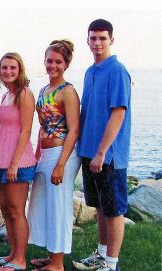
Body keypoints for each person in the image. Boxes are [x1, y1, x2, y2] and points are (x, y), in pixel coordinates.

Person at [72, 19, 131, 271]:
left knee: (114, 211)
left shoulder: (117, 70)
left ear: (111, 40)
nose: (97, 43)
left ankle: (112, 264)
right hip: (88, 152)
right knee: (99, 208)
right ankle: (101, 255)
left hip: (108, 156)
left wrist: (101, 152)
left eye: (102, 38)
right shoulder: (90, 71)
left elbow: (118, 114)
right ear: (87, 40)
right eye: (93, 38)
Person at [28, 40, 81, 271]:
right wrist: (38, 155)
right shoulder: (44, 90)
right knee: (42, 205)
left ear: (66, 64)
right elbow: (42, 125)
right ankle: (51, 255)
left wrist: (60, 164)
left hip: (63, 155)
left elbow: (74, 130)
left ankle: (58, 263)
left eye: (58, 61)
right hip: (45, 155)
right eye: (50, 60)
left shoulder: (68, 91)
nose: (53, 65)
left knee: (59, 206)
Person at [0, 53, 36, 271]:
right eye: (4, 68)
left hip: (19, 162)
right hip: (2, 159)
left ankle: (21, 259)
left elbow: (26, 130)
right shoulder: (6, 95)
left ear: (20, 70)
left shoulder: (24, 94)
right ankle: (12, 253)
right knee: (6, 209)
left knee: (17, 210)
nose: (8, 71)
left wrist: (14, 164)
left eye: (12, 68)